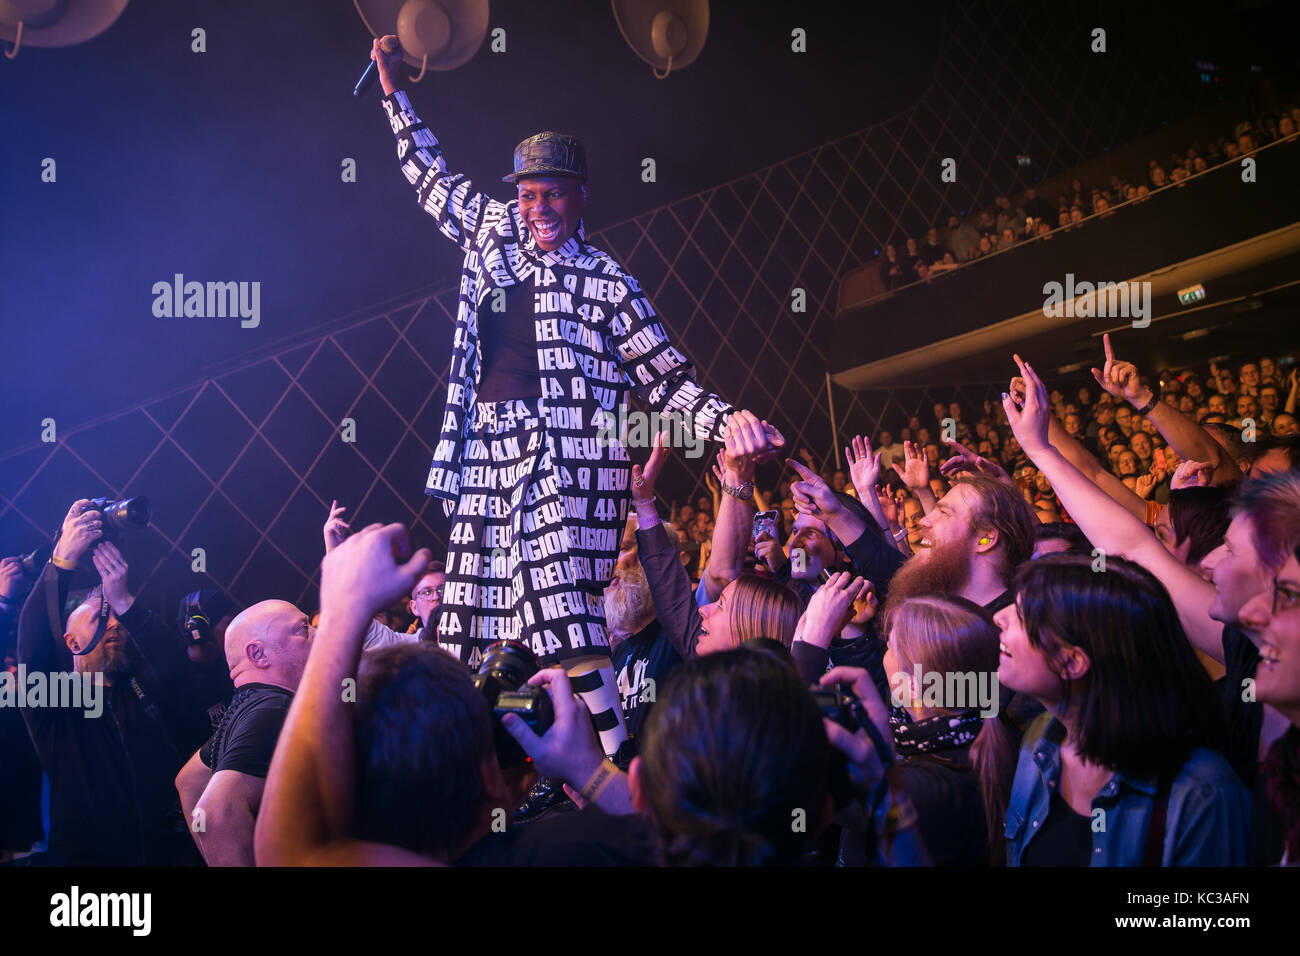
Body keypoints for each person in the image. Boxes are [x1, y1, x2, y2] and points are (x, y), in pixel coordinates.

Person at [369, 37, 782, 758]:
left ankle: (621, 766)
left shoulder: (609, 281)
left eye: (552, 193)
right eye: (528, 194)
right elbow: (430, 179)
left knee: (564, 614)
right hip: (489, 458)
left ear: (582, 195)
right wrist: (394, 95)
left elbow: (668, 377)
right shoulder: (493, 230)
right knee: (477, 630)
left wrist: (728, 421)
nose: (538, 209)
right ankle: (527, 764)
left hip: (572, 468)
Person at [1003, 354, 1299, 863]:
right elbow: (1135, 548)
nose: (1209, 566)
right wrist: (1039, 447)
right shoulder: (1251, 652)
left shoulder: (1203, 791)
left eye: (1229, 551)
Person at [255, 522, 652, 866]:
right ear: (490, 778)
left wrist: (341, 609)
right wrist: (592, 772)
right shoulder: (577, 850)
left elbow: (287, 853)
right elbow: (693, 845)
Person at [996, 555, 1250, 865]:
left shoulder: (1202, 794)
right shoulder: (1041, 738)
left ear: (1072, 662)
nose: (999, 617)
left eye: (1023, 615)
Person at [17, 500, 200, 866]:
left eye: (117, 618)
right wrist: (61, 561)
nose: (113, 624)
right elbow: (32, 647)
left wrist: (124, 600)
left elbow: (177, 668)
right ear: (71, 643)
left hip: (167, 854)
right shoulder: (58, 704)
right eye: (100, 620)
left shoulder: (140, 689)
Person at [174, 600, 314, 866]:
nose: (318, 633)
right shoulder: (275, 709)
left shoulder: (250, 705)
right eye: (303, 629)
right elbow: (215, 813)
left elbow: (190, 782)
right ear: (258, 655)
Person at [882, 595, 1016, 865]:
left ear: (909, 686)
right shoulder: (998, 734)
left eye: (890, 648)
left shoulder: (919, 788)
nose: (884, 651)